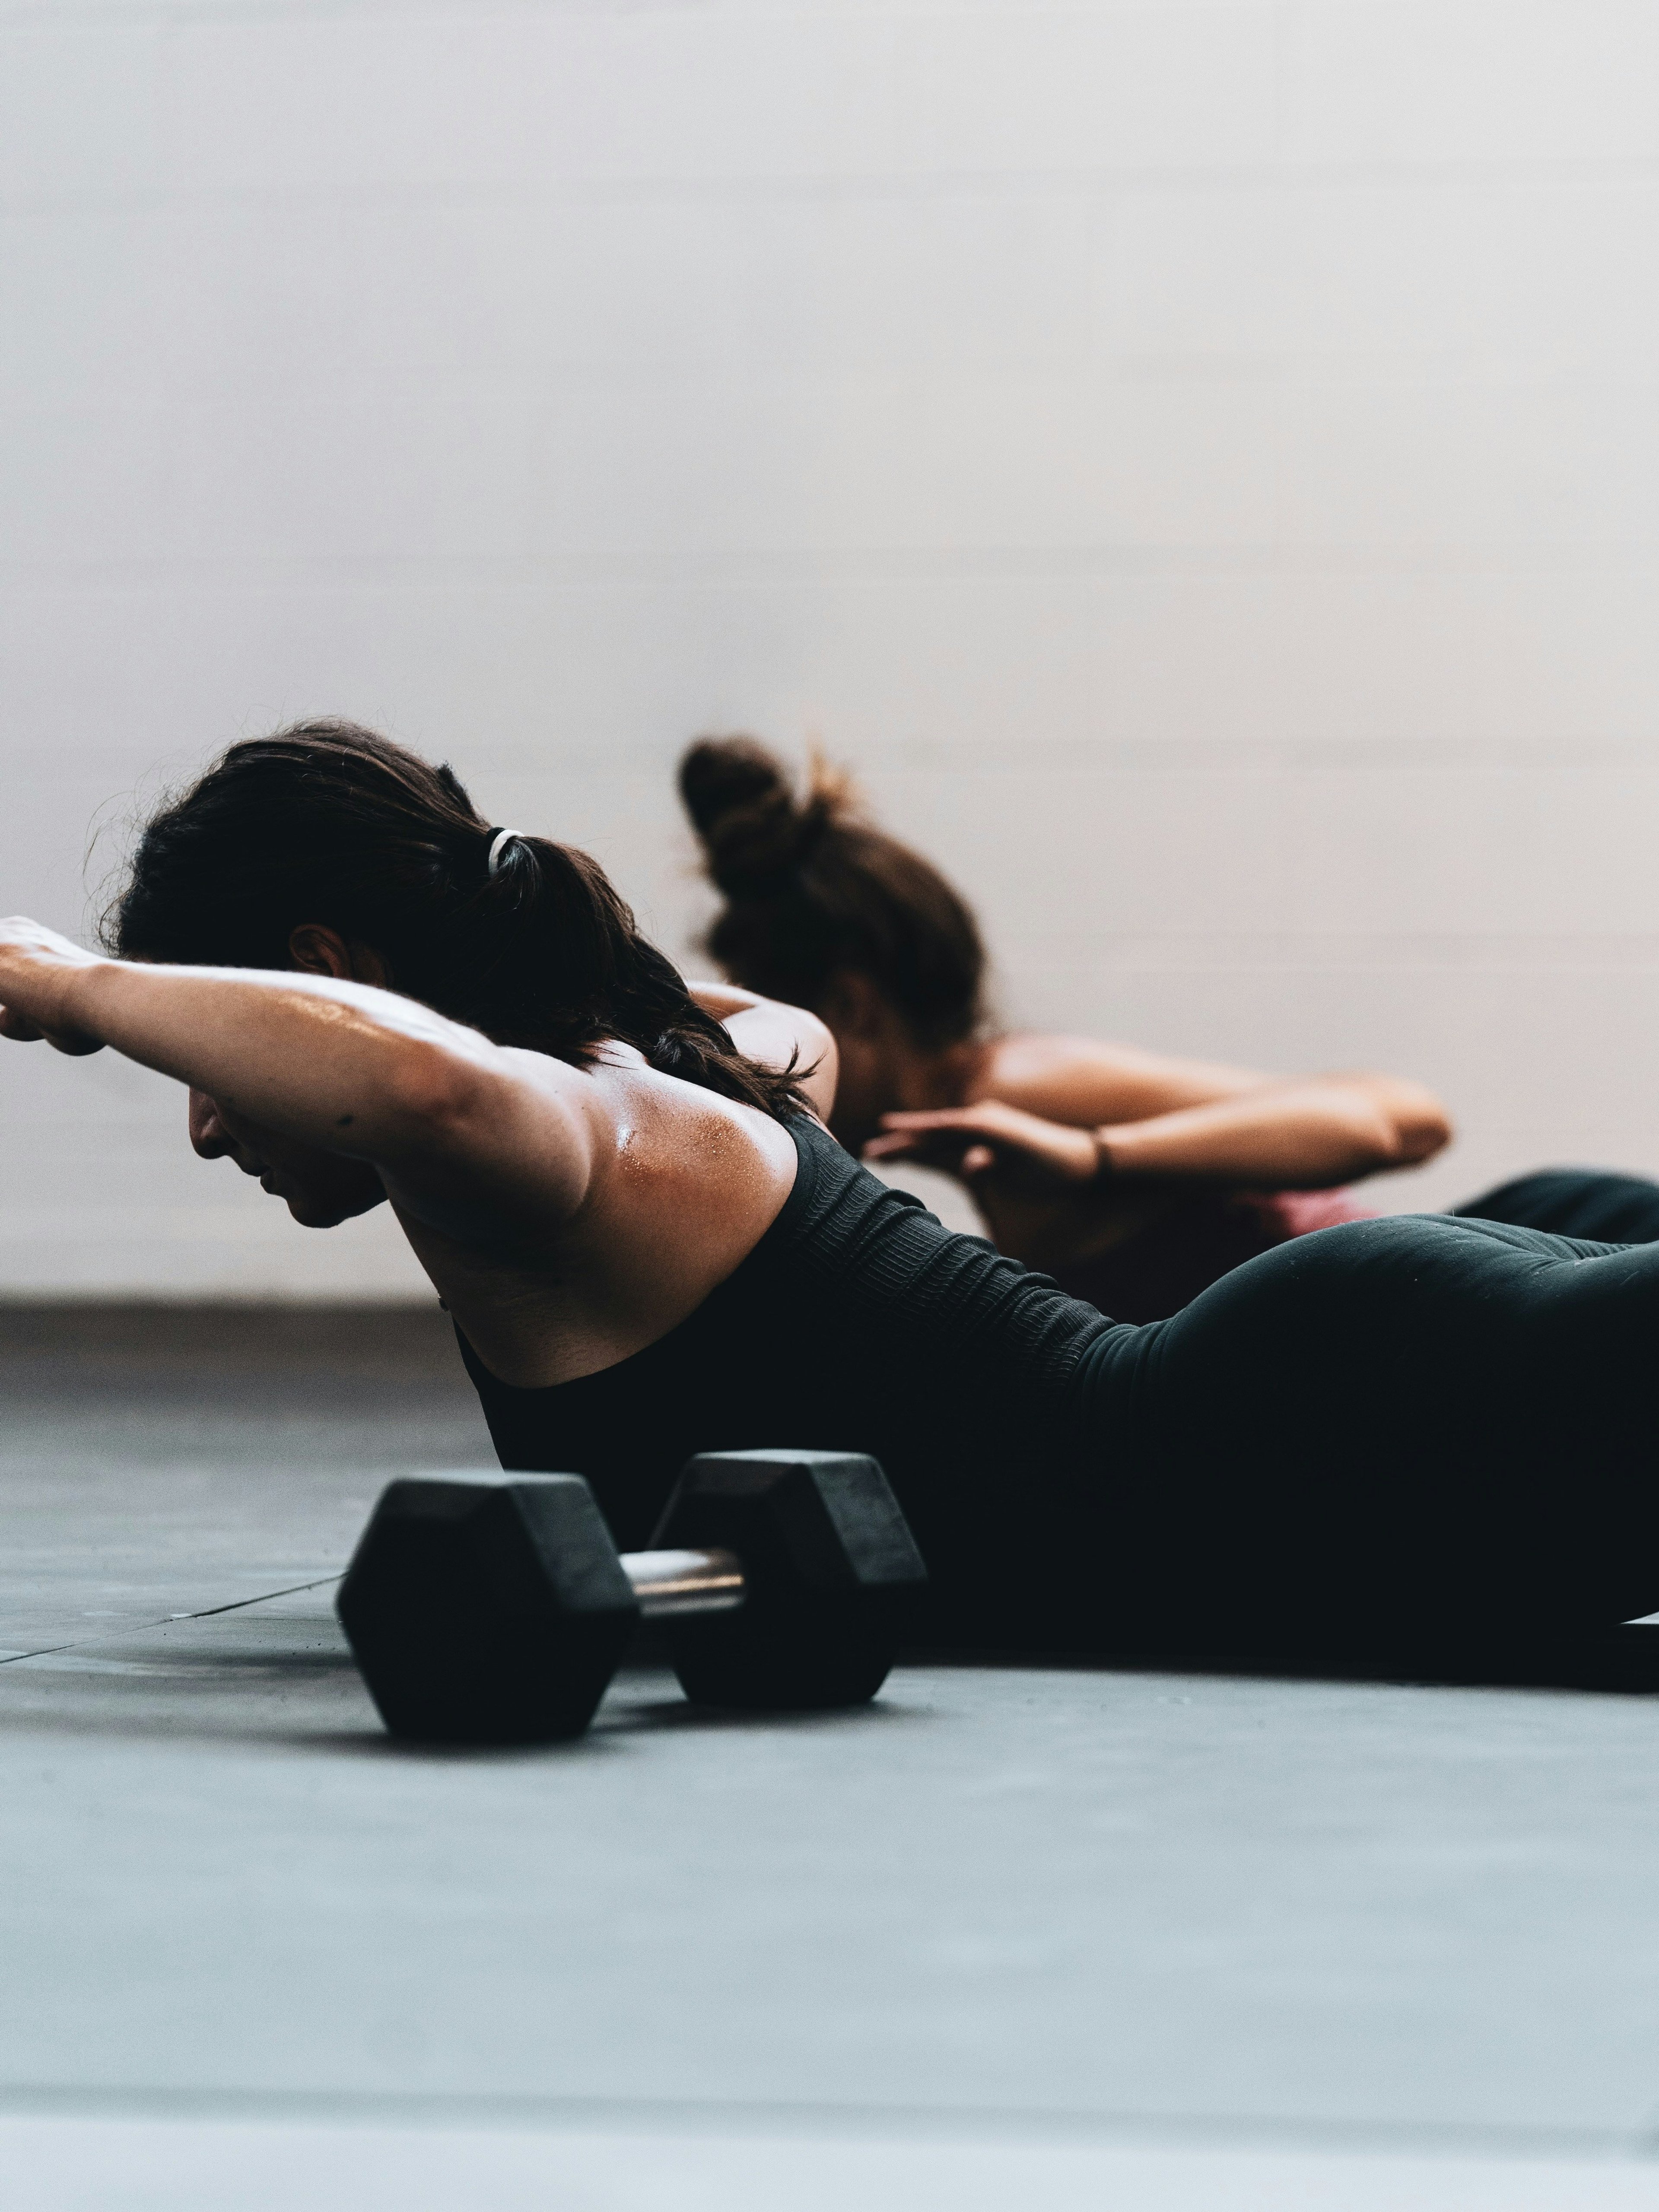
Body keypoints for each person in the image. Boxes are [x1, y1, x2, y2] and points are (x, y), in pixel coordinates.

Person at [5, 718, 1659, 1662]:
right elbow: (468, 1043)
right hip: (1329, 1457)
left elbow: (422, 1078)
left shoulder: (570, 1146)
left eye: (213, 1053)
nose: (213, 1123)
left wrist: (71, 987)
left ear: (321, 975)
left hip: (1314, 1442)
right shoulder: (721, 1060)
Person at [678, 736, 1659, 1319]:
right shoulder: (987, 1139)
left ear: (851, 1007)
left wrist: (1098, 1158)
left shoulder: (1019, 1088)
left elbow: (1400, 1120)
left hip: (1521, 1268)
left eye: (772, 1037)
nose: (763, 1077)